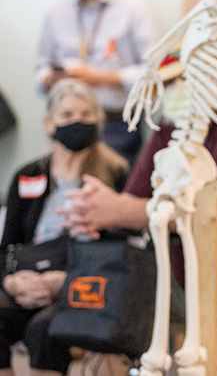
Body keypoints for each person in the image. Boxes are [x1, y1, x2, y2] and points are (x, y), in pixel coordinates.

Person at [61, 73, 217, 375]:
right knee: (113, 302)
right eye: (169, 80)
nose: (173, 87)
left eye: (182, 78)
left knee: (216, 324)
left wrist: (117, 210)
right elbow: (133, 200)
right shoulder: (171, 124)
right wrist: (96, 210)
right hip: (188, 274)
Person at [0, 78, 128, 376]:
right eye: (67, 115)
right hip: (29, 280)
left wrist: (65, 281)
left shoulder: (116, 174)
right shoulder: (28, 175)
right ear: (48, 122)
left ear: (99, 122)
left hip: (86, 286)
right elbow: (6, 247)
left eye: (86, 114)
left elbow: (122, 253)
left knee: (44, 329)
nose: (77, 122)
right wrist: (13, 282)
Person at [35, 0, 157, 166]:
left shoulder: (134, 9)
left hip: (116, 124)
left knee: (111, 194)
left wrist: (99, 78)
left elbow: (154, 73)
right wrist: (52, 78)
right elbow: (39, 70)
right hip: (66, 123)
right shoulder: (57, 12)